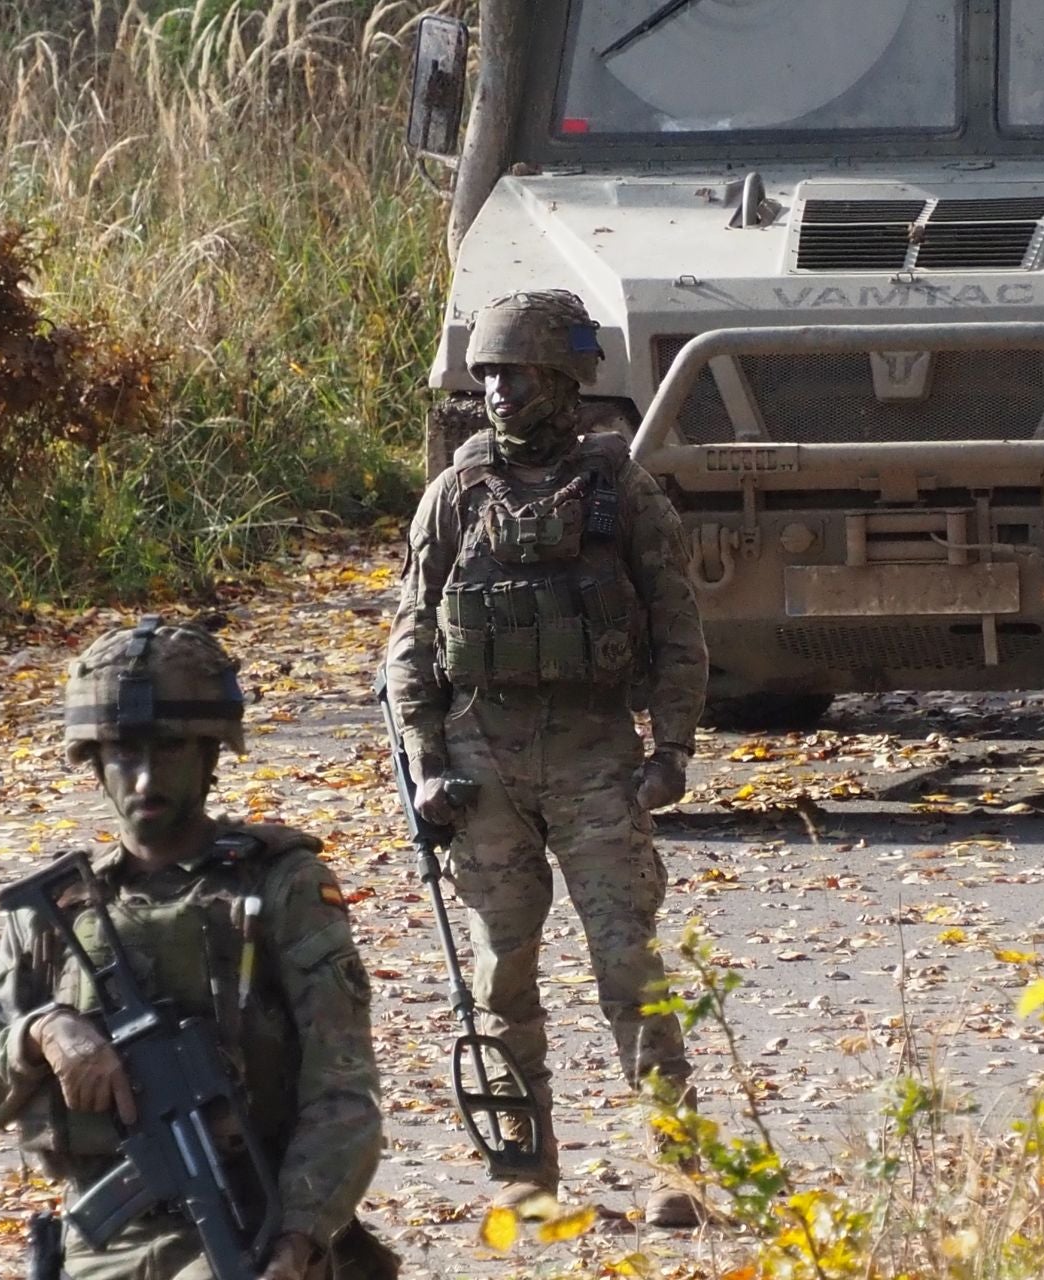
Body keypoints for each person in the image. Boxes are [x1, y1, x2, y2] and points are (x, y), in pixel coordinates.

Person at [383, 289, 709, 1226]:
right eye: (485, 374)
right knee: (500, 978)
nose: (496, 391)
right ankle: (527, 1170)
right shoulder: (455, 493)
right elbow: (410, 636)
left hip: (594, 757)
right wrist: (425, 756)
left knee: (629, 968)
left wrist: (672, 747)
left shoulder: (622, 492)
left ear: (564, 382)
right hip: (484, 763)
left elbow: (678, 626)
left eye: (516, 373)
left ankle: (676, 1167)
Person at [0, 617, 389, 1279]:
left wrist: (297, 1243)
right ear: (92, 761)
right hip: (104, 1247)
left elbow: (344, 1099)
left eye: (169, 750)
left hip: (260, 1225)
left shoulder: (279, 888)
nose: (144, 779)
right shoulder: (55, 915)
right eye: (123, 752)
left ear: (211, 755)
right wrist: (42, 1033)